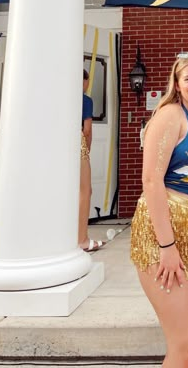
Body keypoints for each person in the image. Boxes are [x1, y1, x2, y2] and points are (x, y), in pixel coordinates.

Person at [130, 54, 188, 368]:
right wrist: (166, 246)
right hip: (165, 233)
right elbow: (151, 180)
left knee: (185, 340)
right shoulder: (170, 115)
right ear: (178, 84)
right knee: (186, 343)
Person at [79, 69, 105, 252]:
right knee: (84, 191)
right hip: (76, 145)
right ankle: (82, 239)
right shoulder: (84, 100)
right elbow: (87, 129)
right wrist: (86, 150)